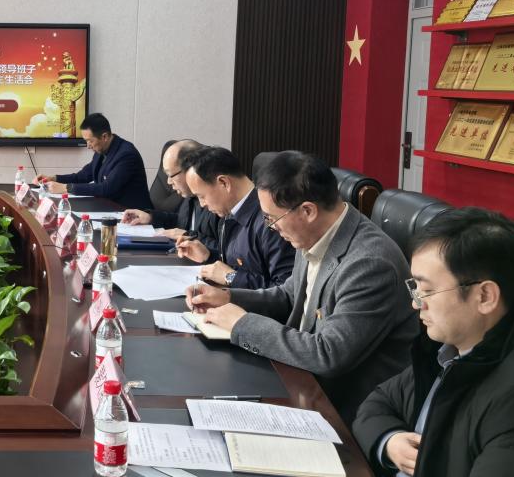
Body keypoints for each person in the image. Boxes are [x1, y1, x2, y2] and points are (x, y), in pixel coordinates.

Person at [353, 207, 514, 477]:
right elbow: (378, 402)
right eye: (415, 288)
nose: (416, 303)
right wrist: (390, 440)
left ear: (485, 296)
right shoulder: (450, 349)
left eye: (427, 290)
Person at [185, 150, 418, 423]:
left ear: (307, 211)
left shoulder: (370, 264)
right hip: (301, 380)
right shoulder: (314, 232)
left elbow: (328, 354)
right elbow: (289, 296)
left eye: (272, 218)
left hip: (344, 408)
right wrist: (227, 297)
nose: (270, 227)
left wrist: (242, 324)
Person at [170, 146, 294, 290]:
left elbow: (286, 292)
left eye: (201, 196)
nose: (202, 204)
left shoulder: (271, 219)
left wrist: (231, 277)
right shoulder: (229, 213)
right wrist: (209, 256)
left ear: (224, 183)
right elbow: (238, 266)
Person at [36, 113, 153, 210]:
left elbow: (106, 188)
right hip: (109, 208)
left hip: (133, 215)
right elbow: (82, 176)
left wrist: (66, 188)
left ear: (104, 137)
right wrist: (54, 178)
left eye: (90, 141)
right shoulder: (101, 150)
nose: (88, 146)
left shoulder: (126, 154)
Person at [121, 140, 221, 249]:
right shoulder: (189, 196)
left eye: (171, 175)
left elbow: (226, 251)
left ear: (191, 169)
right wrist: (151, 218)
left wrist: (188, 236)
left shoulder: (217, 202)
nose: (168, 182)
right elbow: (181, 222)